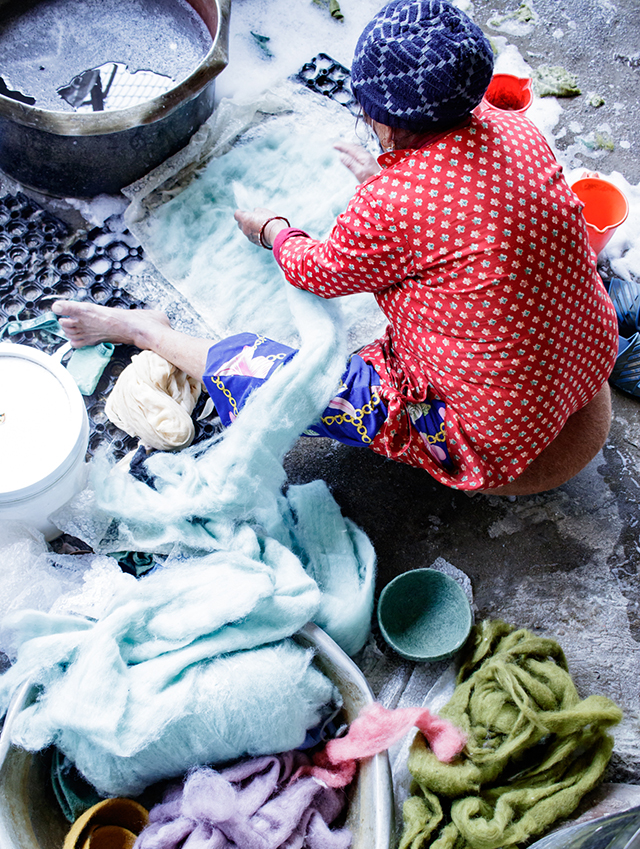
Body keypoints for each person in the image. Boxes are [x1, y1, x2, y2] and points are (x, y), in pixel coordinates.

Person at [53, 0, 618, 496]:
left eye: (368, 112)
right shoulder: (515, 129)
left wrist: (275, 230)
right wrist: (384, 177)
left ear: (387, 120)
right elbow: (466, 212)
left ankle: (145, 330)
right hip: (587, 352)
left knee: (288, 381)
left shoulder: (393, 203)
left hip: (484, 436)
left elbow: (314, 272)